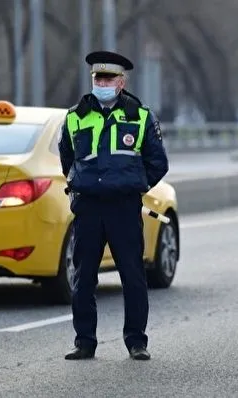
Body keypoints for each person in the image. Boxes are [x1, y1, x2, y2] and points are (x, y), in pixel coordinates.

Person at [58, 50, 169, 360]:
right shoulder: (76, 116)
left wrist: (134, 185)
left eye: (108, 78)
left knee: (133, 276)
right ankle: (84, 342)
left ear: (122, 82)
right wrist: (79, 185)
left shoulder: (140, 115)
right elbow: (67, 158)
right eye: (98, 77)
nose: (102, 82)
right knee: (83, 278)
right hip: (89, 208)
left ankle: (136, 341)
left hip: (123, 207)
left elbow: (158, 162)